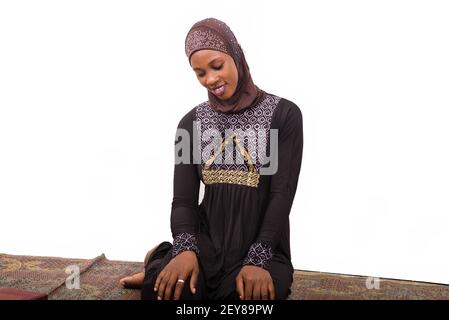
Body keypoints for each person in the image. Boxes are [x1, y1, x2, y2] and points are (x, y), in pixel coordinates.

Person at [119, 17, 303, 300]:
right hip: (205, 244)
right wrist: (185, 249)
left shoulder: (285, 115)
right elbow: (183, 200)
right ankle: (162, 257)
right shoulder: (189, 124)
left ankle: (159, 257)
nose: (211, 79)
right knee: (169, 296)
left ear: (236, 55)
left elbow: (281, 195)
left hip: (263, 247)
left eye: (217, 66)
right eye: (200, 73)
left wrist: (257, 259)